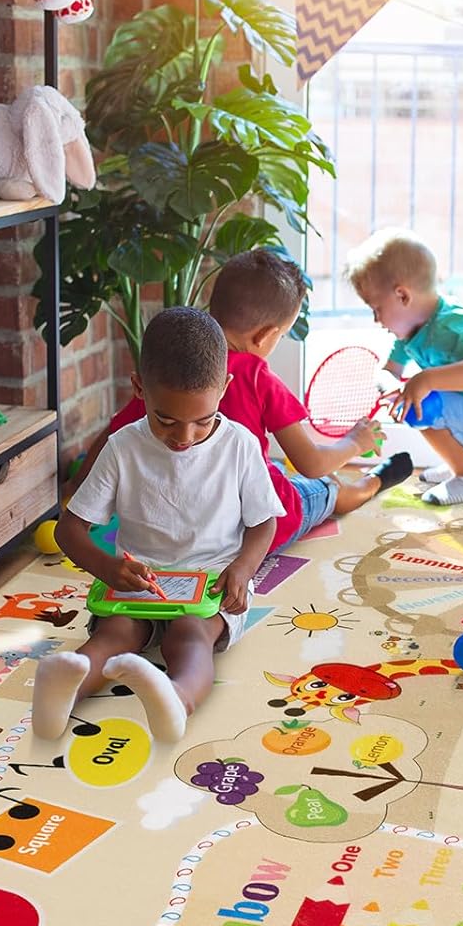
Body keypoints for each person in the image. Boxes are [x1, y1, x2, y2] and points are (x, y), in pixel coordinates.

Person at [39, 307, 282, 743]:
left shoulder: (240, 446)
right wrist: (108, 567)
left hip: (210, 584)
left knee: (189, 638)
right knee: (115, 635)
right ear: (139, 389)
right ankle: (62, 694)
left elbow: (263, 524)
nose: (184, 437)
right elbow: (68, 530)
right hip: (139, 581)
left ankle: (176, 698)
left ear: (225, 389)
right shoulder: (122, 447)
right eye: (165, 420)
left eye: (202, 420)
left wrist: (243, 569)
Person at [71, 249, 412, 550]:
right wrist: (355, 442)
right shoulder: (256, 376)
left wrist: (73, 491)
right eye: (281, 336)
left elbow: (113, 434)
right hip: (254, 531)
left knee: (277, 470)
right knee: (326, 487)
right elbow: (312, 462)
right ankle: (372, 483)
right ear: (265, 335)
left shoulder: (172, 374)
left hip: (188, 534)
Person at [344, 227, 463, 505]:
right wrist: (392, 387)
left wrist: (425, 380)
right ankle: (462, 463)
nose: (376, 320)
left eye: (377, 309)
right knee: (418, 400)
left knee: (423, 405)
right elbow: (388, 370)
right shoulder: (411, 331)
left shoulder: (454, 324)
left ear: (402, 296)